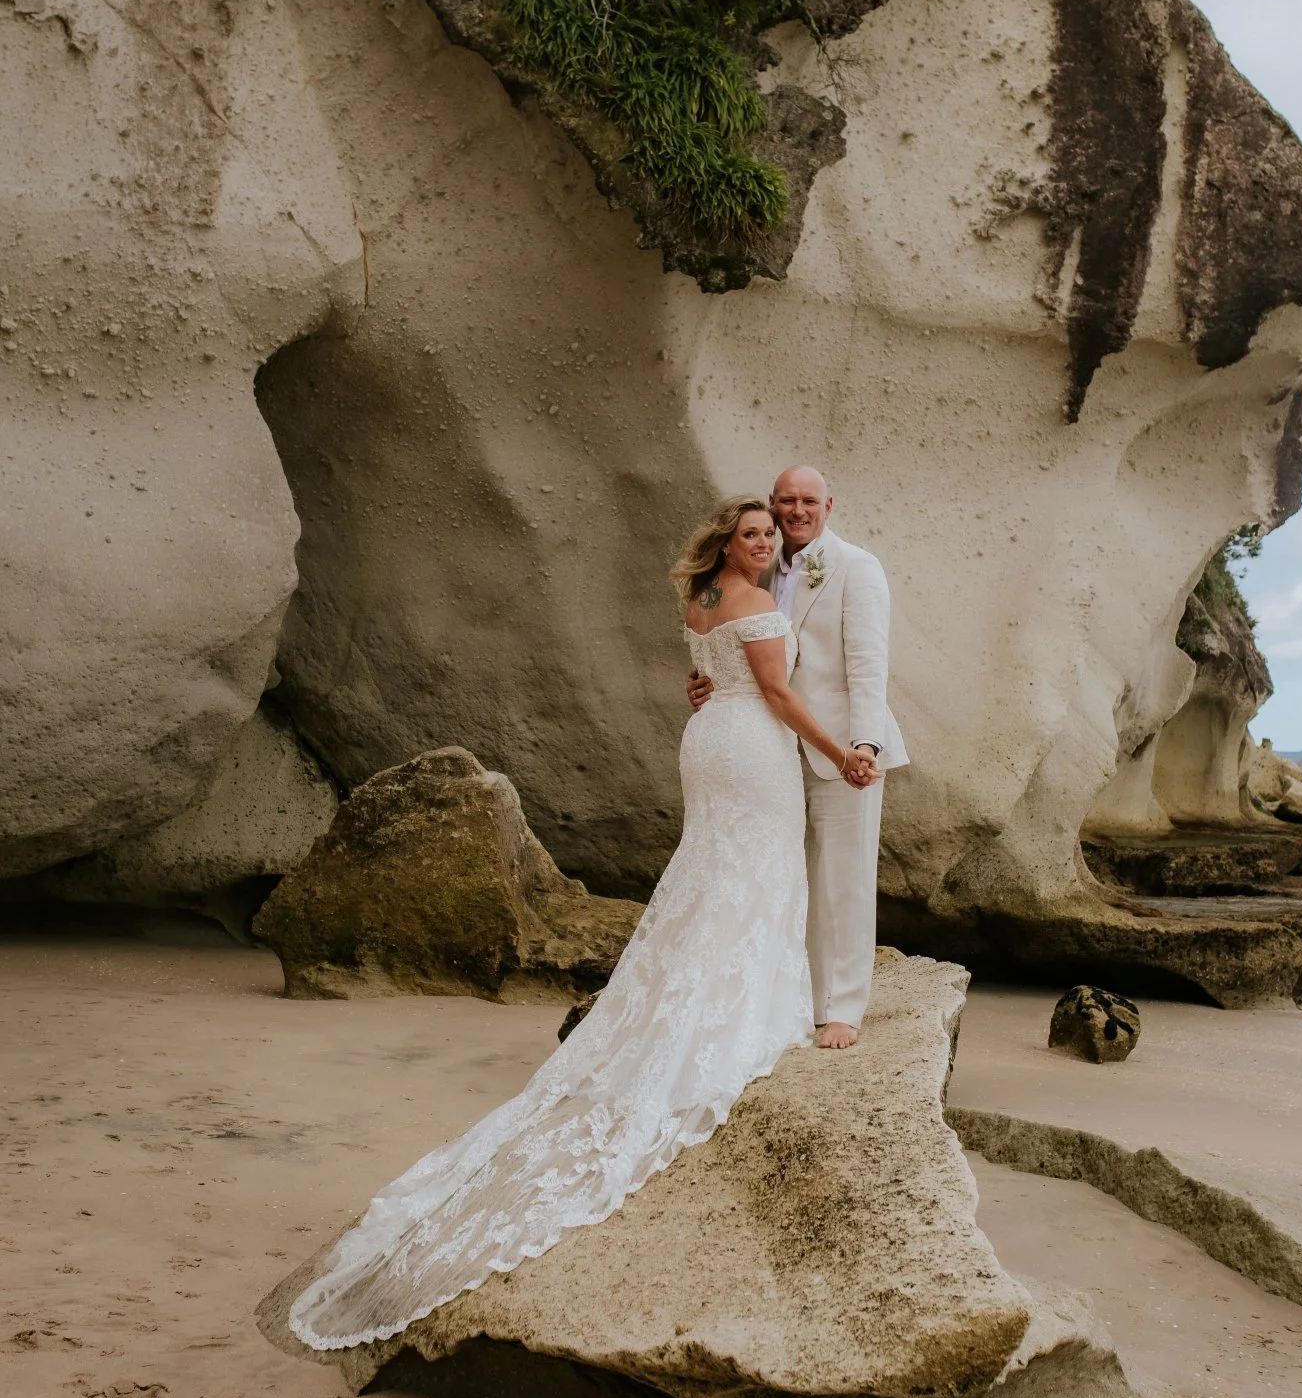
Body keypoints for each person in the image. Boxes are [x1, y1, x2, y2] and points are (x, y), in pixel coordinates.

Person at [285, 494, 865, 1353]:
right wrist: (839, 750)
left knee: (713, 870)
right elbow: (777, 695)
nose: (765, 541)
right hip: (749, 746)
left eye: (771, 533)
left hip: (707, 740)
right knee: (756, 867)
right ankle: (739, 1006)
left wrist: (712, 688)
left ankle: (694, 988)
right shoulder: (756, 602)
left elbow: (708, 677)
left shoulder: (699, 599)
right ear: (730, 541)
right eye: (753, 533)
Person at [688, 466, 907, 1049]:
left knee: (846, 876)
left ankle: (844, 1009)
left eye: (808, 500)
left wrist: (862, 746)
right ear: (771, 507)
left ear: (828, 505)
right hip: (771, 746)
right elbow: (717, 633)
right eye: (786, 500)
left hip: (839, 746)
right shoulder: (751, 571)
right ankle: (801, 999)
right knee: (791, 877)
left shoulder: (857, 567)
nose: (795, 510)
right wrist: (705, 678)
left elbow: (868, 666)